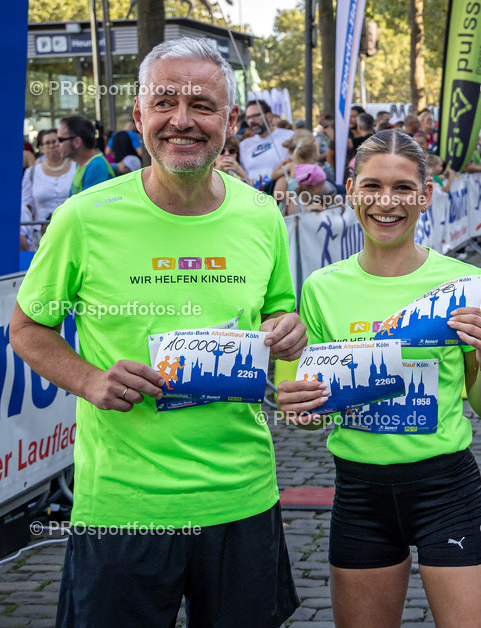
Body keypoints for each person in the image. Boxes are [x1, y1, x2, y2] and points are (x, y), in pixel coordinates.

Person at [10, 36, 306, 627]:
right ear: (139, 114)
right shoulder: (84, 218)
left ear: (229, 121)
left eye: (202, 105)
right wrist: (90, 380)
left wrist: (286, 331)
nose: (182, 120)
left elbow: (277, 315)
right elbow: (27, 327)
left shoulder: (261, 215)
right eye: (165, 102)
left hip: (242, 496)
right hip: (124, 505)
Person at [277, 129, 481, 627]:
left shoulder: (464, 282)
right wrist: (298, 408)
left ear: (426, 196)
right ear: (351, 191)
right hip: (359, 494)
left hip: (447, 489)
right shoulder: (321, 289)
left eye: (403, 188)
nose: (387, 202)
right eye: (373, 186)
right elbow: (311, 415)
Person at [21, 129, 76, 250]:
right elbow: (26, 205)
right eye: (47, 143)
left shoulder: (76, 167)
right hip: (41, 236)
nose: (52, 146)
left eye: (55, 141)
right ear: (41, 148)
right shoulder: (32, 172)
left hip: (72, 231)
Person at [239, 99, 294, 190]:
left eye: (256, 116)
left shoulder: (289, 136)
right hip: (253, 195)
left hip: (282, 194)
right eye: (248, 118)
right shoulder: (243, 145)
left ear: (269, 116)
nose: (251, 120)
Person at [58, 115, 114, 195]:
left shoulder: (96, 166)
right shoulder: (81, 164)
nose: (57, 144)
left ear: (76, 142)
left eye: (60, 140)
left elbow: (89, 202)